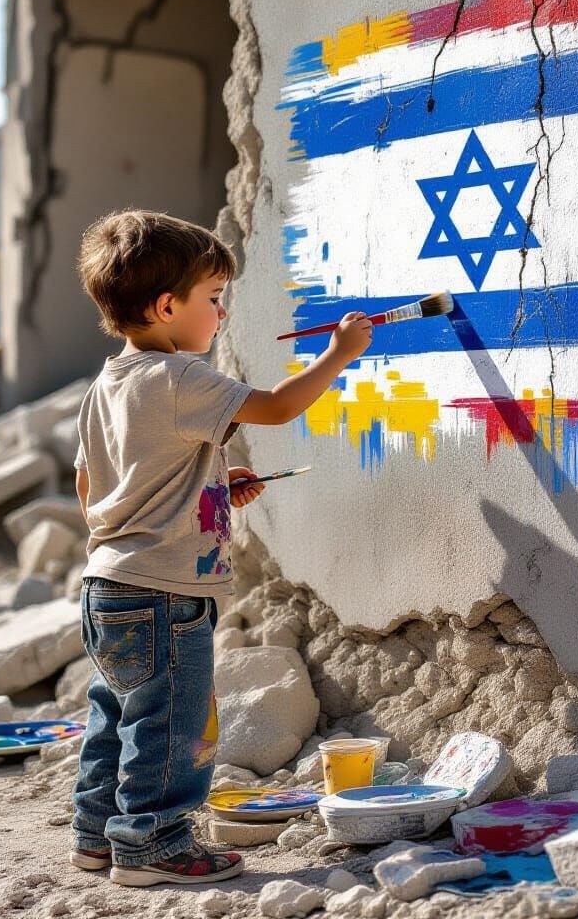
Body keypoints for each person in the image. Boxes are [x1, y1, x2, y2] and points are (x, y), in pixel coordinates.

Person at [69, 209, 372, 886]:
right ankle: (154, 845)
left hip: (109, 587)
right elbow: (276, 407)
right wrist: (340, 354)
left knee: (116, 718)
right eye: (213, 299)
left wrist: (209, 485)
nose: (222, 313)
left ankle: (96, 836)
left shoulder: (105, 386)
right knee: (174, 727)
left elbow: (95, 486)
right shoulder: (178, 378)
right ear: (166, 306)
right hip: (165, 593)